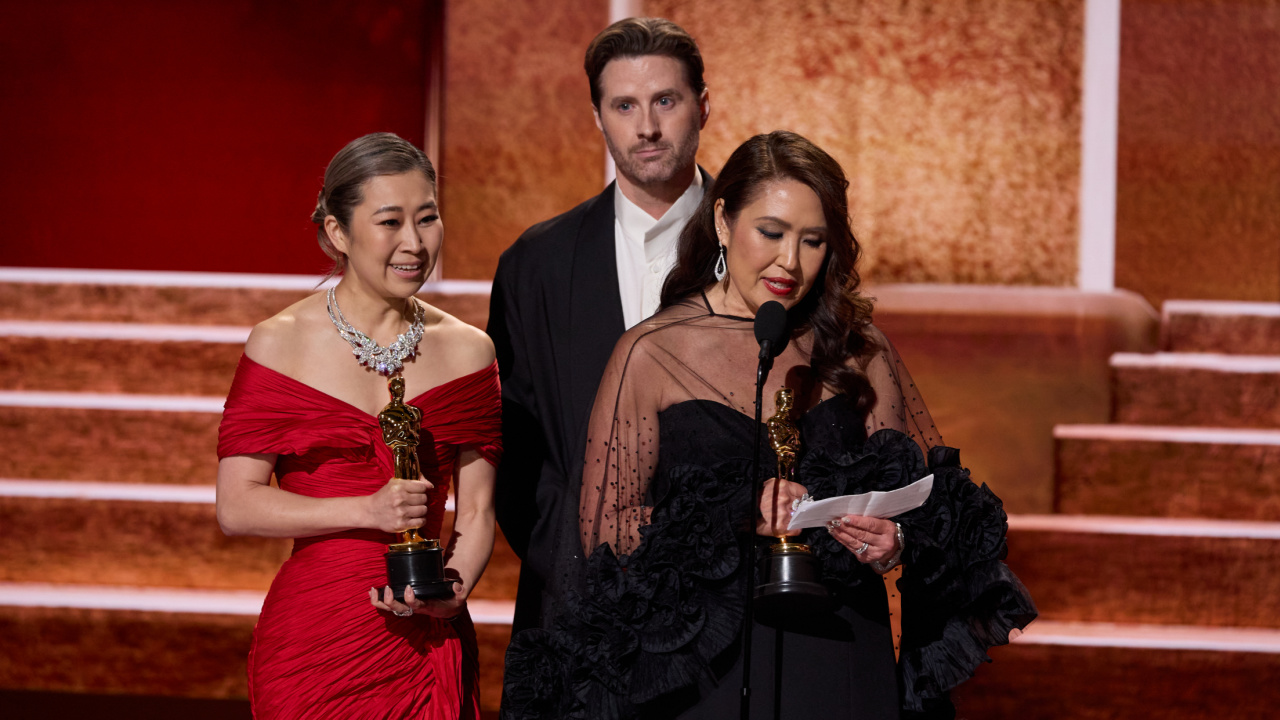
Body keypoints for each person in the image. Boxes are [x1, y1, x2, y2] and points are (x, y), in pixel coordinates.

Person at [501, 131, 1037, 719]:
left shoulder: (859, 351)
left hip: (841, 652)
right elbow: (609, 529)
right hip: (703, 668)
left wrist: (897, 542)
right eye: (772, 233)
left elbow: (936, 504)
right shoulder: (650, 352)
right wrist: (737, 512)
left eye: (813, 241)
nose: (790, 262)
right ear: (724, 220)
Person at [216, 132, 501, 718]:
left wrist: (453, 591)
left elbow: (475, 511)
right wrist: (365, 510)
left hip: (426, 640)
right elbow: (237, 506)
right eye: (390, 222)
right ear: (338, 232)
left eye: (427, 218)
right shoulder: (280, 342)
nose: (415, 244)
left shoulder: (470, 351)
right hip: (315, 641)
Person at [487, 16, 712, 634]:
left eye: (665, 100)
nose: (646, 126)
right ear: (598, 118)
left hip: (733, 606)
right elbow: (514, 445)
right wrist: (578, 559)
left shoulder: (764, 249)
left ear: (703, 106)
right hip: (578, 603)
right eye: (624, 105)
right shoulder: (535, 263)